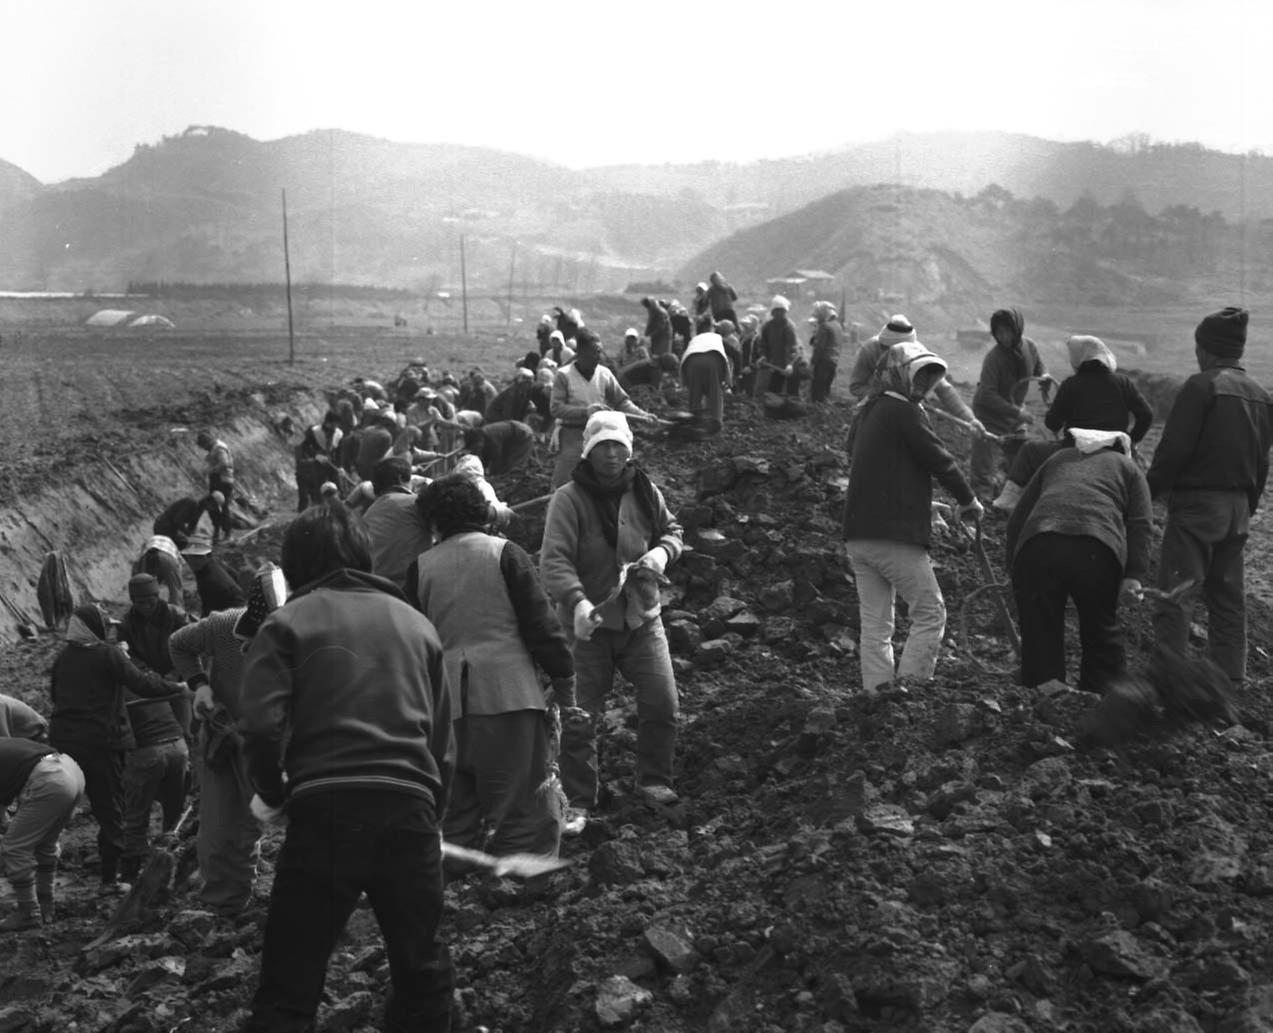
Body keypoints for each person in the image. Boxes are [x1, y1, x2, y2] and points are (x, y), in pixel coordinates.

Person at [237, 505, 456, 1033]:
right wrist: (432, 815)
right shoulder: (417, 625)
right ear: (363, 556)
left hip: (326, 810)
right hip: (411, 810)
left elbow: (260, 726)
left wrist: (273, 793)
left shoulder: (287, 621)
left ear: (296, 566)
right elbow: (444, 742)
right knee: (421, 970)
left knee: (292, 976)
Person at [412, 476, 575, 859]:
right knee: (524, 802)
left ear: (433, 523)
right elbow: (541, 624)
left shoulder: (420, 568)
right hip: (509, 695)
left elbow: (416, 640)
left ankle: (454, 885)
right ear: (482, 512)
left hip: (448, 703)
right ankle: (522, 888)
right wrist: (563, 678)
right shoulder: (505, 554)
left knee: (458, 806)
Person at [540, 412, 684, 832]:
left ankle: (655, 781)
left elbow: (672, 529)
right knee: (580, 717)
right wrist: (578, 602)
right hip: (587, 628)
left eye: (619, 445)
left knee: (663, 702)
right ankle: (579, 801)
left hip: (641, 619)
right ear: (587, 450)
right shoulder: (567, 499)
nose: (612, 453)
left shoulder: (643, 489)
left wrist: (662, 553)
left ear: (629, 449)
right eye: (603, 445)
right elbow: (554, 561)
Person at [842, 343, 982, 694]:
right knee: (930, 612)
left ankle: (877, 696)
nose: (922, 388)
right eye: (918, 377)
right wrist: (968, 500)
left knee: (876, 624)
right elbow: (940, 460)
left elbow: (878, 471)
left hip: (859, 535)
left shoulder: (869, 411)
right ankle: (911, 693)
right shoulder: (902, 411)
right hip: (892, 536)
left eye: (928, 379)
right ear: (898, 374)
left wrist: (922, 503)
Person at [1147, 306, 1273, 687]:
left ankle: (1168, 681)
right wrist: (1248, 505)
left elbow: (1174, 450)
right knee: (1228, 597)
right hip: (1238, 509)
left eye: (1199, 347)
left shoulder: (1202, 386)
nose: (1196, 355)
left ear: (1209, 349)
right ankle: (1229, 682)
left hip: (1199, 506)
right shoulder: (1261, 395)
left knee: (1177, 592)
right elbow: (1262, 458)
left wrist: (1146, 493)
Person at [49, 603, 183, 893]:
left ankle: (41, 877)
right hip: (102, 742)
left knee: (66, 805)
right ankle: (110, 879)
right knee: (112, 808)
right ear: (94, 628)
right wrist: (178, 688)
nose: (110, 630)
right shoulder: (108, 654)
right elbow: (142, 685)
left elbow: (54, 695)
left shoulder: (63, 659)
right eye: (106, 626)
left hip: (64, 742)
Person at [1006, 430, 1152, 693]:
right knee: (1100, 631)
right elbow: (1140, 523)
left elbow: (1019, 516)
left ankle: (1044, 704)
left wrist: (1013, 569)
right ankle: (1100, 704)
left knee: (1040, 631)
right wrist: (1134, 575)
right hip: (1096, 548)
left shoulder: (1059, 458)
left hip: (1039, 544)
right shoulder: (1128, 467)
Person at [169, 590, 265, 917]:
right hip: (222, 738)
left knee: (253, 826)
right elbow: (179, 644)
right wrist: (201, 685)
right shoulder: (223, 626)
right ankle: (223, 902)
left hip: (267, 744)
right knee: (219, 827)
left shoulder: (301, 636)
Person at [993, 335, 1154, 512]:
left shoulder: (1071, 384)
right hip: (1115, 450)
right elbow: (1146, 415)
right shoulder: (1123, 382)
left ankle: (1009, 499)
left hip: (1074, 450)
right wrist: (1132, 440)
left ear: (1078, 359)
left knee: (1029, 451)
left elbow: (1052, 423)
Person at [118, 573, 193, 881]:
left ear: (157, 596)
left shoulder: (175, 615)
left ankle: (188, 778)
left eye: (149, 600)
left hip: (177, 680)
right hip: (150, 682)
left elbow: (189, 644)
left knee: (183, 730)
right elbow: (131, 653)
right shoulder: (129, 621)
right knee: (163, 736)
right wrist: (147, 675)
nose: (145, 606)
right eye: (139, 601)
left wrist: (175, 675)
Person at [0, 729, 85, 929]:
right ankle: (45, 904)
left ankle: (28, 912)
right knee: (45, 843)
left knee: (15, 847)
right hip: (70, 770)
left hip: (49, 778)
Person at [548, 329, 652, 488]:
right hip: (572, 433)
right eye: (595, 352)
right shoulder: (564, 375)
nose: (600, 356)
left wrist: (644, 416)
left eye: (600, 351)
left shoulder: (604, 374)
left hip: (600, 434)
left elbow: (622, 402)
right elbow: (556, 408)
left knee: (609, 477)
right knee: (564, 481)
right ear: (581, 352)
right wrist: (585, 412)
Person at [848, 315, 985, 432]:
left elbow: (944, 389)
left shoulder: (917, 355)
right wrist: (884, 397)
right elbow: (856, 386)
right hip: (874, 411)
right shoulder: (870, 350)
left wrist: (970, 419)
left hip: (908, 412)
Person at [971, 307, 1053, 499]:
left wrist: (1044, 376)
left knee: (1018, 461)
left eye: (1008, 331)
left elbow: (1039, 366)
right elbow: (986, 395)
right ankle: (982, 504)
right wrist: (1017, 413)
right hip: (989, 417)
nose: (1004, 337)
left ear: (1018, 329)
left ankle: (1012, 500)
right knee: (984, 465)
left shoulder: (1029, 347)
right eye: (999, 332)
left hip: (1015, 416)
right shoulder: (994, 358)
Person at [363, 456, 432, 591]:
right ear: (401, 479)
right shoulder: (416, 503)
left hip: (378, 586)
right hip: (411, 587)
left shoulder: (369, 513)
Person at [679, 316, 731, 434]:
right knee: (714, 394)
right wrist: (733, 376)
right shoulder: (716, 337)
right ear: (711, 327)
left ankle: (694, 425)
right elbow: (736, 354)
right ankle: (715, 426)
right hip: (712, 362)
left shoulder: (695, 339)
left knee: (695, 395)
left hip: (691, 362)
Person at [180, 530, 246, 615]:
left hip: (233, 614)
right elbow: (233, 575)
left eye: (197, 557)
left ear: (207, 556)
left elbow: (208, 610)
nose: (193, 561)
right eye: (191, 556)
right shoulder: (210, 566)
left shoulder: (208, 580)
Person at [294, 412, 344, 512]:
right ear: (327, 422)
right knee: (318, 487)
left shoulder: (338, 433)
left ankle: (337, 509)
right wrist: (316, 455)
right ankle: (319, 509)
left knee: (338, 486)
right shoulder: (314, 432)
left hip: (332, 463)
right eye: (333, 424)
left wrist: (340, 466)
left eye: (336, 424)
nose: (334, 427)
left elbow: (339, 451)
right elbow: (305, 447)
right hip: (318, 464)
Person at [196, 431, 236, 542]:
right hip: (217, 481)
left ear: (208, 442)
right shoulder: (215, 448)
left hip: (223, 481)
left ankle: (227, 534)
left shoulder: (219, 448)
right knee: (212, 506)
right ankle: (217, 531)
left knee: (223, 507)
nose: (204, 449)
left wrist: (211, 470)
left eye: (204, 446)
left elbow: (225, 464)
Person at [462, 420, 536, 477]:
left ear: (479, 440)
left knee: (515, 466)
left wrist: (493, 475)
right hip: (511, 438)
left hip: (522, 435)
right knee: (505, 465)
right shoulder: (483, 437)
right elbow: (486, 456)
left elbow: (496, 458)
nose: (478, 448)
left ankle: (516, 481)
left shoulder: (491, 438)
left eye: (477, 446)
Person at [757, 296, 799, 396]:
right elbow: (764, 344)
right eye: (777, 311)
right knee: (774, 391)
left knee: (789, 393)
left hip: (788, 367)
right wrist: (763, 355)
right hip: (775, 365)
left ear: (785, 312)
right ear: (773, 312)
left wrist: (790, 364)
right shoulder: (768, 326)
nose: (779, 313)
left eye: (782, 311)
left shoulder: (789, 327)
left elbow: (792, 347)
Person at [134, 533, 186, 606]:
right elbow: (178, 572)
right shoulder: (175, 550)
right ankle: (176, 612)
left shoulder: (147, 543)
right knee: (175, 589)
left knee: (145, 587)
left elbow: (137, 566)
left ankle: (146, 608)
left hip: (148, 555)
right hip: (166, 556)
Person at [808, 301, 843, 403]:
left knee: (817, 391)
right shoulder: (838, 326)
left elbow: (819, 348)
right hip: (833, 361)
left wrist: (812, 363)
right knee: (825, 390)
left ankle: (816, 413)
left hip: (823, 362)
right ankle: (823, 412)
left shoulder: (825, 327)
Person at [153, 494, 218, 551]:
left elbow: (192, 527)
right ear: (208, 502)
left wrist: (197, 538)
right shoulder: (191, 503)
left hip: (172, 530)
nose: (212, 509)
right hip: (163, 527)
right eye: (213, 506)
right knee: (180, 546)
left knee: (187, 544)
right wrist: (189, 534)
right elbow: (178, 521)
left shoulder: (200, 510)